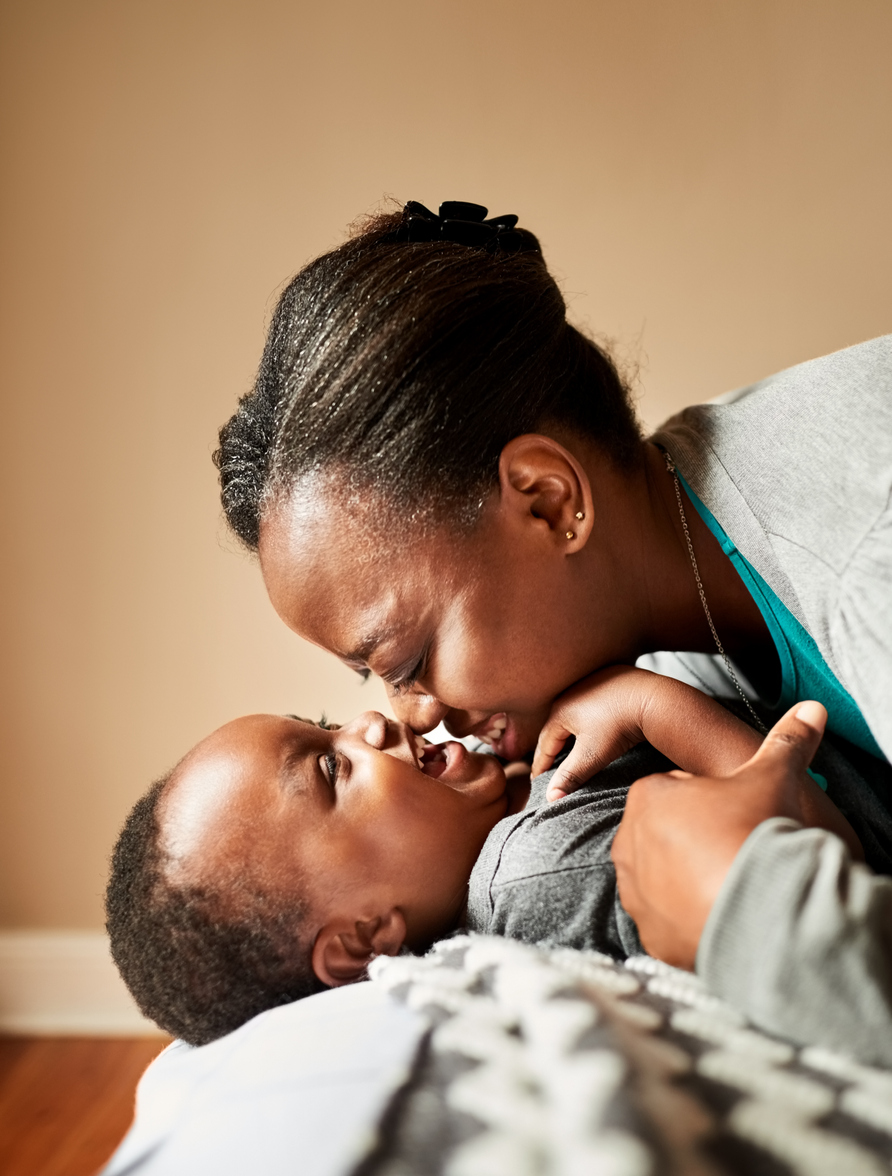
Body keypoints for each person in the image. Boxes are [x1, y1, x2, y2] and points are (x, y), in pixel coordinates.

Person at [213, 198, 891, 1031]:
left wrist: (740, 908)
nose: (405, 713)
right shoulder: (677, 616)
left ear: (545, 499)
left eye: (408, 658)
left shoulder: (867, 556)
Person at [106, 671, 872, 1048]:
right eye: (330, 769)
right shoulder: (537, 874)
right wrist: (651, 705)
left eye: (327, 725)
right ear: (365, 938)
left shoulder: (510, 810)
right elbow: (813, 858)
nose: (368, 723)